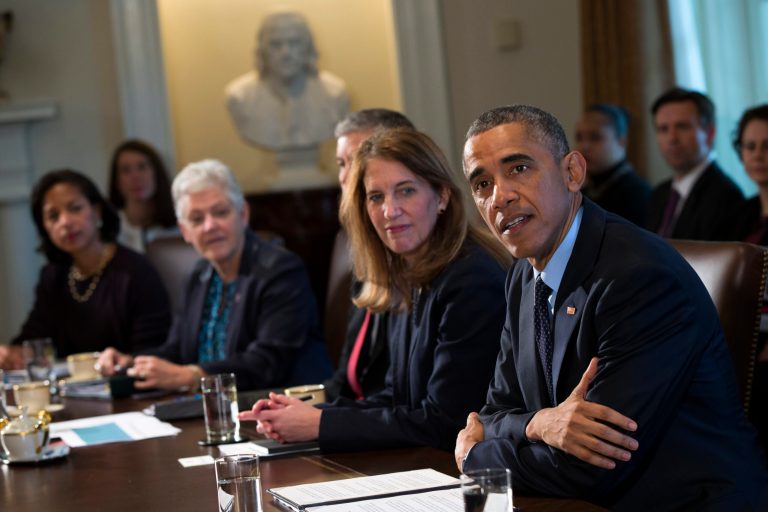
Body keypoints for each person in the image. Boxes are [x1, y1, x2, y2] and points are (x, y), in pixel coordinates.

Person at [455, 105, 768, 510]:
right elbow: (496, 411)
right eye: (481, 183)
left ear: (572, 173)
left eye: (518, 169)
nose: (500, 197)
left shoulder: (639, 278)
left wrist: (475, 457)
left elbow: (594, 466)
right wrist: (537, 423)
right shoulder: (522, 275)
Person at [240, 129, 511, 452]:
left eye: (406, 191)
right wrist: (306, 414)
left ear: (441, 196)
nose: (389, 211)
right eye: (376, 197)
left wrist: (319, 424)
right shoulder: (406, 273)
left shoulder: (471, 279)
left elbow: (446, 421)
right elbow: (397, 399)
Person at [97, 159, 332, 391]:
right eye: (197, 219)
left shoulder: (281, 270)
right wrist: (130, 362)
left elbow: (267, 362)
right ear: (185, 231)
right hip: (212, 410)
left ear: (243, 215)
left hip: (277, 409)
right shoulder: (199, 275)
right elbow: (177, 351)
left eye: (220, 212)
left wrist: (192, 376)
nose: (209, 226)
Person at [0, 170, 171, 369]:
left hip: (129, 389)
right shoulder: (53, 276)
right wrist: (13, 353)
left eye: (75, 208)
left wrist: (123, 363)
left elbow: (155, 350)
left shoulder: (135, 271)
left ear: (97, 211)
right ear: (44, 227)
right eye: (53, 216)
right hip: (74, 392)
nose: (65, 222)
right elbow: (35, 336)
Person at [323, 108, 415, 401]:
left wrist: (322, 423)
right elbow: (347, 379)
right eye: (341, 164)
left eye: (359, 160)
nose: (346, 176)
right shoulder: (368, 253)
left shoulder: (415, 259)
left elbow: (404, 397)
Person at [225, 11, 349, 152]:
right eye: (275, 44)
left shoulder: (334, 94)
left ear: (307, 47)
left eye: (294, 42)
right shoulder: (240, 97)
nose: (286, 53)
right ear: (262, 49)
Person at [645, 87, 744, 240]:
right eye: (663, 129)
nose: (672, 138)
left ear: (709, 133)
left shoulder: (726, 197)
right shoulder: (659, 194)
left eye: (682, 127)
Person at [732, 103, 768, 452]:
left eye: (767, 146)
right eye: (750, 146)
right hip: (742, 337)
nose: (758, 155)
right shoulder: (743, 212)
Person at [575, 103, 650, 225]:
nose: (584, 146)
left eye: (595, 137)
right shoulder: (581, 192)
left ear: (621, 142)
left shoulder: (638, 194)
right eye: (579, 138)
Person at [108, 139, 179, 253]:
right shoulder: (109, 230)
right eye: (126, 170)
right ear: (117, 181)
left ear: (156, 173)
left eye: (142, 167)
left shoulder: (180, 225)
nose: (135, 176)